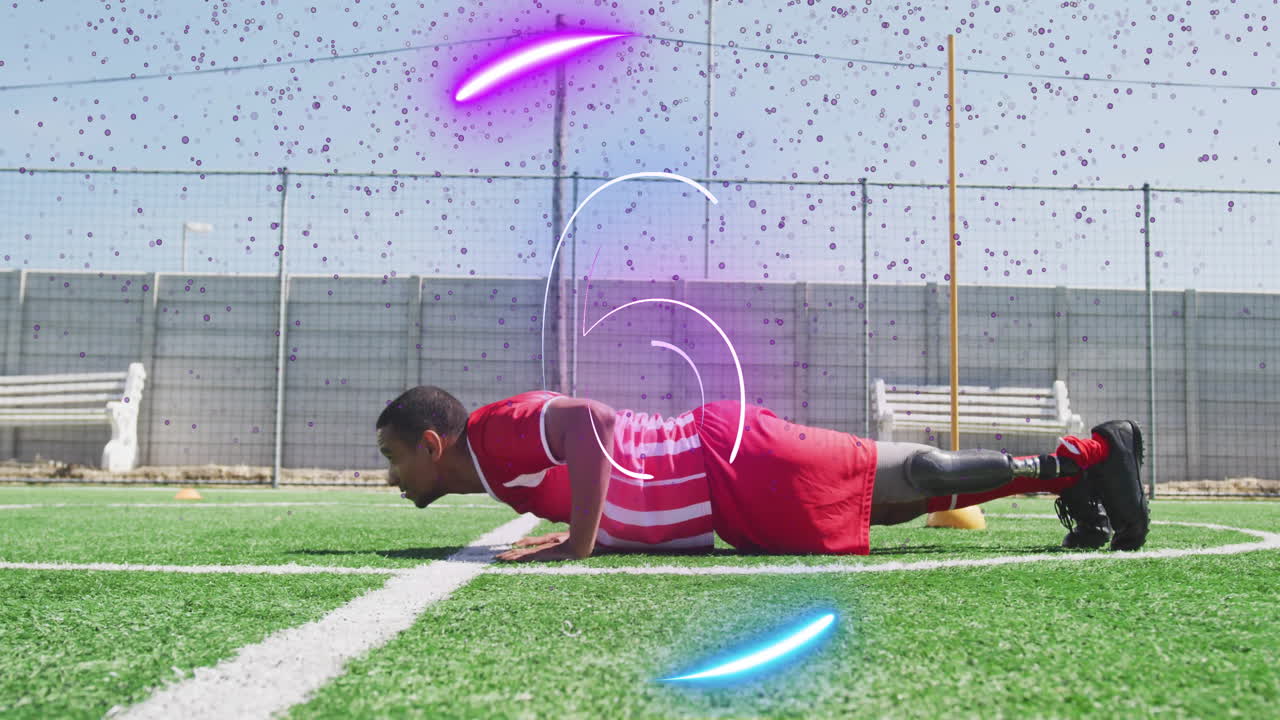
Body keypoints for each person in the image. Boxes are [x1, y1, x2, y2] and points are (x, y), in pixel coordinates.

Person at [374, 386, 1148, 562]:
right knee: (899, 506)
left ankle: (1091, 458)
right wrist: (592, 532)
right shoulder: (497, 465)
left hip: (728, 458)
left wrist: (577, 544)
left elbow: (595, 424)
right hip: (729, 507)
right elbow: (599, 470)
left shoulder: (491, 431)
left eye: (392, 456)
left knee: (912, 472)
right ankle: (1066, 484)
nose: (390, 476)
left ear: (431, 444)